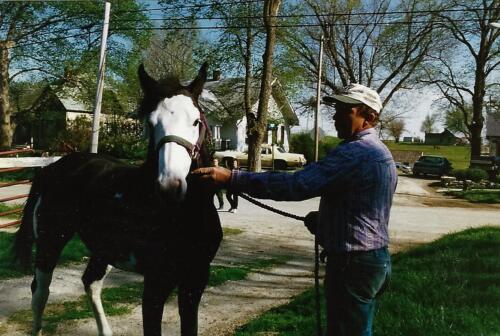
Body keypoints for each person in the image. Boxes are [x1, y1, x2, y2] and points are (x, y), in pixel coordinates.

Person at [193, 83, 397, 336]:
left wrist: (231, 178)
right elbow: (365, 206)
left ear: (369, 116)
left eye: (345, 110)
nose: (334, 115)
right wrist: (329, 220)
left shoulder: (356, 152)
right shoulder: (380, 152)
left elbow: (296, 185)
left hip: (353, 263)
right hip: (373, 259)